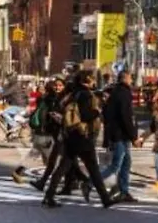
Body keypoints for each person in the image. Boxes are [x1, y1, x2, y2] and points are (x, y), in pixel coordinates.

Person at [41, 71, 116, 209]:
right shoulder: (86, 95)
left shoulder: (73, 94)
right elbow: (86, 115)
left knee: (62, 167)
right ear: (87, 80)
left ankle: (49, 195)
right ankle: (105, 199)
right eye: (92, 79)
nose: (94, 81)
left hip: (71, 135)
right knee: (93, 169)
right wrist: (98, 111)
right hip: (83, 136)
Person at [100, 70, 140, 202]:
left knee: (126, 163)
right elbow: (126, 117)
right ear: (126, 78)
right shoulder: (124, 93)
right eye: (130, 78)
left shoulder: (115, 92)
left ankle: (124, 191)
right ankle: (90, 182)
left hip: (119, 134)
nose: (131, 81)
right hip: (120, 135)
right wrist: (134, 136)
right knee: (116, 165)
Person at [14, 77, 61, 183]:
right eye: (56, 86)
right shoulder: (53, 100)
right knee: (54, 160)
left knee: (34, 155)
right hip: (46, 134)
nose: (58, 88)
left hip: (38, 132)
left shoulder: (41, 99)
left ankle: (18, 172)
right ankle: (56, 179)